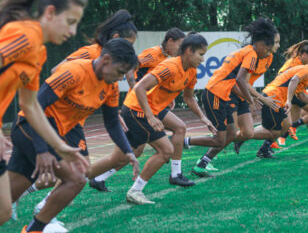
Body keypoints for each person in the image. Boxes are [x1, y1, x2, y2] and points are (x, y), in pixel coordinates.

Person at [8, 38, 138, 233]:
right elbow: (35, 107)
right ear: (106, 59)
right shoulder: (73, 72)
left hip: (53, 133)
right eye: (120, 72)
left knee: (6, 199)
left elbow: (111, 122)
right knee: (76, 178)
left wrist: (128, 151)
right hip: (30, 127)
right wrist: (42, 150)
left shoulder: (110, 87)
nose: (120, 78)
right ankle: (35, 230)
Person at [0, 0, 88, 227]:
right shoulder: (25, 36)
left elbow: (30, 106)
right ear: (50, 13)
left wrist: (60, 147)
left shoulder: (38, 52)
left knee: (3, 211)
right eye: (70, 22)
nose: (72, 31)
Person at [89, 28, 189, 191]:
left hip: (150, 105)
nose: (181, 50)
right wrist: (134, 87)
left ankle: (99, 178)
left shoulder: (168, 59)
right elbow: (130, 66)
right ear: (170, 41)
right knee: (174, 134)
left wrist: (166, 100)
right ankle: (174, 175)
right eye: (179, 45)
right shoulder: (153, 54)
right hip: (139, 106)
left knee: (135, 152)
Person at [123, 33, 216, 204]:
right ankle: (135, 191)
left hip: (153, 110)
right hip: (136, 110)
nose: (203, 59)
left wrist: (204, 118)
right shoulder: (170, 66)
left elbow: (188, 97)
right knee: (164, 150)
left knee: (179, 128)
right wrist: (150, 117)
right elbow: (140, 87)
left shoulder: (192, 71)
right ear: (188, 51)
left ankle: (175, 175)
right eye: (201, 55)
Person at [184, 18, 278, 177]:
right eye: (270, 47)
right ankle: (185, 143)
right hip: (217, 93)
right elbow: (240, 80)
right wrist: (254, 99)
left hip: (227, 94)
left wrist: (251, 98)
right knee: (221, 138)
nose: (271, 50)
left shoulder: (254, 53)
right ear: (261, 44)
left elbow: (240, 81)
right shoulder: (251, 53)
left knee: (238, 134)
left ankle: (202, 162)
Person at [239, 50, 308, 158]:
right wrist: (289, 101)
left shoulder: (305, 74)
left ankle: (263, 148)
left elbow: (301, 96)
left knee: (287, 124)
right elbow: (293, 80)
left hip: (278, 98)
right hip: (273, 98)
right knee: (273, 132)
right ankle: (242, 137)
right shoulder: (305, 70)